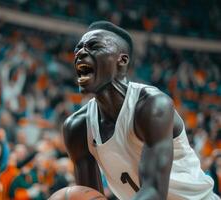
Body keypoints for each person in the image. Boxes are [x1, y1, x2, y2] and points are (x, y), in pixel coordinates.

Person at [63, 21, 218, 200]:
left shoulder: (152, 106)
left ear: (122, 60)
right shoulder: (77, 128)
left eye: (93, 46)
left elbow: (153, 192)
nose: (80, 53)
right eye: (78, 48)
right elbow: (90, 196)